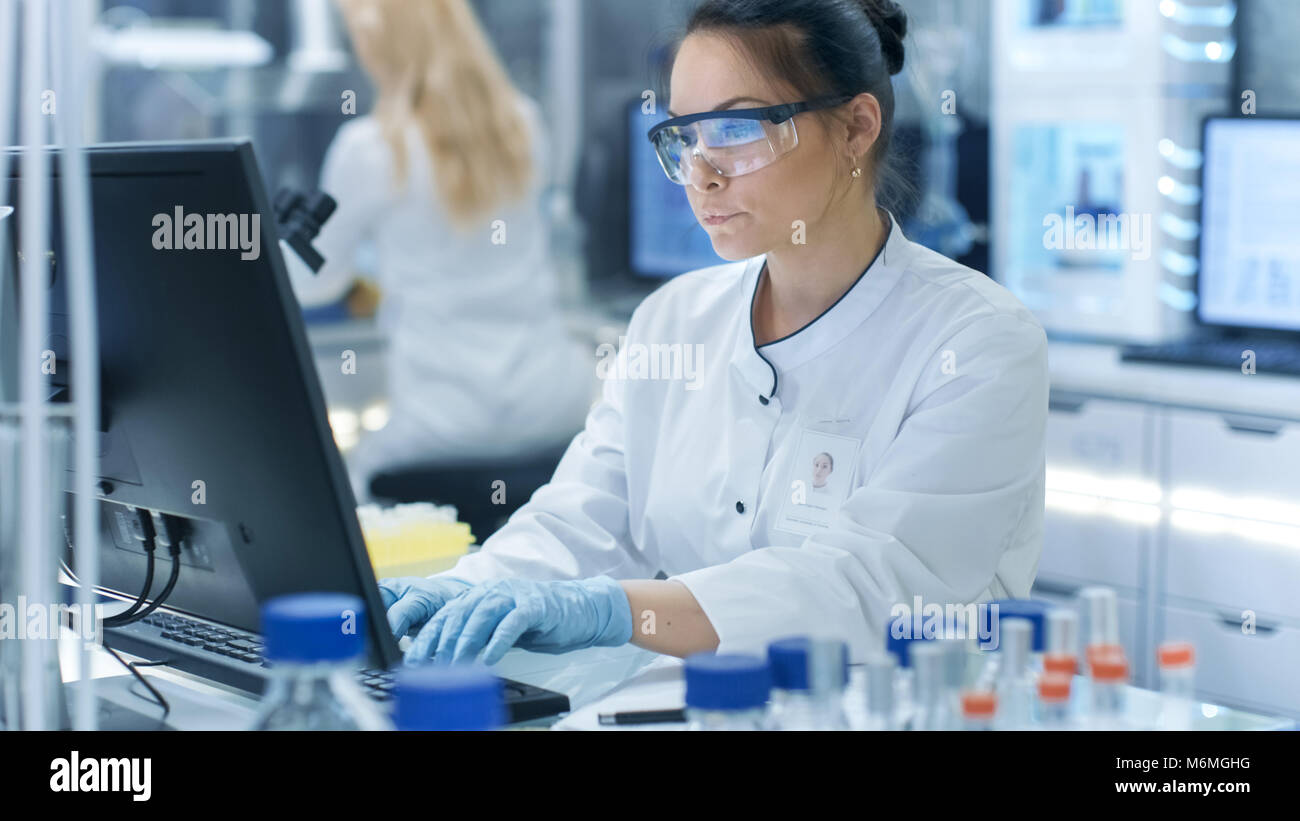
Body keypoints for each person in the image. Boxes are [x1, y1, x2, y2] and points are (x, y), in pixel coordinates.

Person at [382, 0, 1049, 667]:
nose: (702, 172)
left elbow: (874, 585)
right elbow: (581, 520)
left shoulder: (977, 343)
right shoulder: (675, 320)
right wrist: (457, 591)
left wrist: (617, 608)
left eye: (736, 128)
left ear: (855, 128)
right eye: (685, 135)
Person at [285, 0, 594, 501]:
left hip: (441, 427)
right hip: (552, 405)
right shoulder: (525, 123)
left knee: (343, 489)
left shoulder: (370, 147)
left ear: (382, 43)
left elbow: (312, 283)